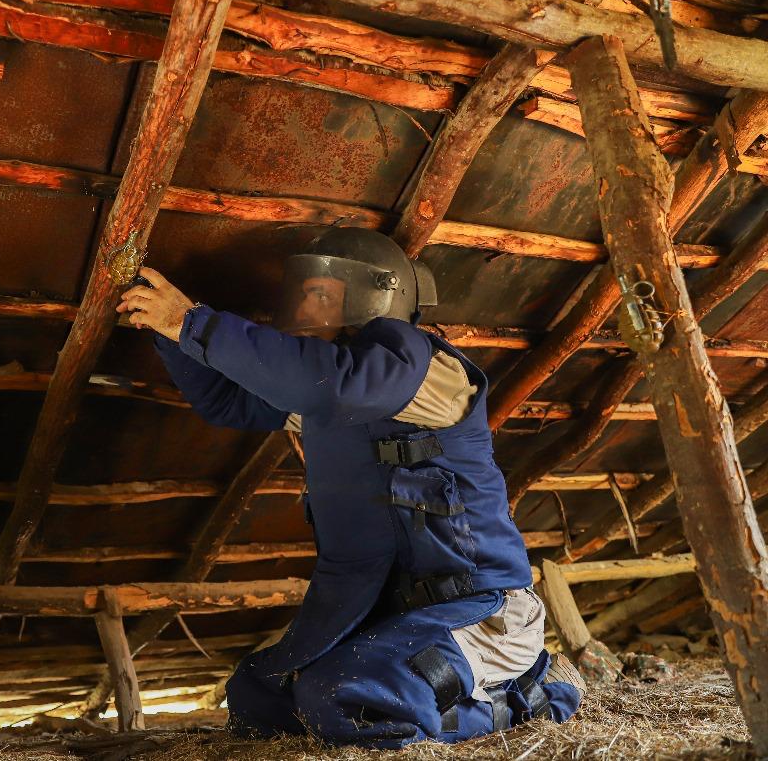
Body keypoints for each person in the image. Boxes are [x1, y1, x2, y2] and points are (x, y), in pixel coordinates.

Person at [115, 228, 584, 747]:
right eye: (301, 292)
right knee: (259, 698)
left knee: (348, 697)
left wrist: (193, 323)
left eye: (320, 293)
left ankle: (535, 698)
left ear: (375, 294)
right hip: (387, 620)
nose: (303, 306)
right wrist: (170, 332)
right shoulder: (331, 390)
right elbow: (230, 400)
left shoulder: (420, 364)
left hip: (478, 611)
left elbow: (335, 383)